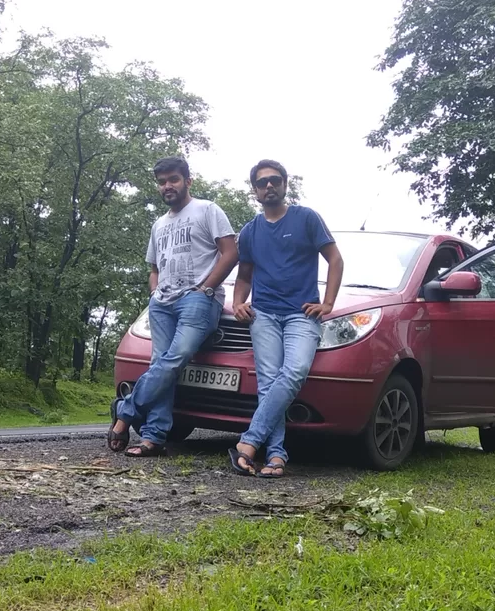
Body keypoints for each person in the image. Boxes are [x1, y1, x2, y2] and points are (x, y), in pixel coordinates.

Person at [108, 156, 238, 457]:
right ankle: (153, 438)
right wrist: (154, 293)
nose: (167, 186)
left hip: (197, 299)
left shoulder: (207, 210)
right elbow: (154, 267)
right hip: (162, 304)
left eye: (174, 180)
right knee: (161, 366)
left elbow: (231, 253)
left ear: (187, 181)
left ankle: (124, 414)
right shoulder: (159, 224)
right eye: (162, 181)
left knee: (174, 360)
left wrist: (206, 288)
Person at [229, 159, 343, 477]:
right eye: (262, 182)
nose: (269, 186)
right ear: (254, 190)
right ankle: (276, 457)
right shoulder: (250, 231)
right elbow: (244, 275)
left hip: (301, 314)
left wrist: (329, 302)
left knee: (294, 372)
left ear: (284, 184)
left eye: (274, 180)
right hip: (263, 314)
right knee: (268, 384)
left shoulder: (306, 218)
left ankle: (248, 443)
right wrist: (238, 302)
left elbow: (335, 259)